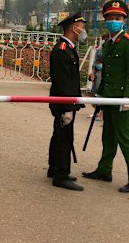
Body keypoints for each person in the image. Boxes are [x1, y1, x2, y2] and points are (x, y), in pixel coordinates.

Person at [82, 0, 129, 193]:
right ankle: (104, 170)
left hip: (122, 100)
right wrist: (100, 95)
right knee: (108, 136)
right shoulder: (108, 44)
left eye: (117, 18)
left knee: (125, 138)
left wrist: (128, 99)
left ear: (124, 21)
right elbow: (106, 72)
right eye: (110, 18)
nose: (113, 21)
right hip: (108, 97)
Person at [47, 12, 87, 191]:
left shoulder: (68, 48)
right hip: (64, 103)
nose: (84, 31)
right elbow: (63, 82)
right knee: (64, 138)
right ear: (74, 28)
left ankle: (54, 168)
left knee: (59, 135)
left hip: (66, 102)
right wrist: (67, 108)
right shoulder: (62, 50)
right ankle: (61, 175)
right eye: (83, 27)